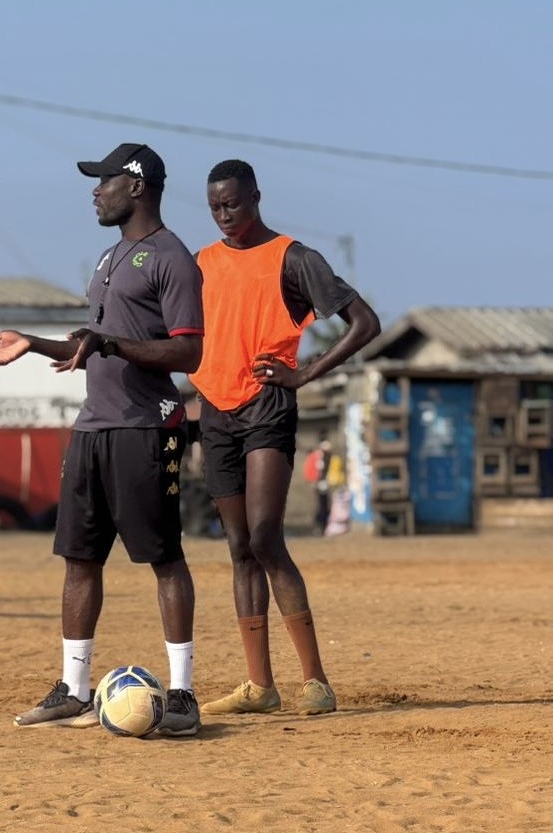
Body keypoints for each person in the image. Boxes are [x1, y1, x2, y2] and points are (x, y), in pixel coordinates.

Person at [0, 143, 204, 736]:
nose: (94, 191)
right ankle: (74, 689)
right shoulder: (107, 257)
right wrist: (33, 341)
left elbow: (188, 350)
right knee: (79, 558)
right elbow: (91, 344)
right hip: (94, 428)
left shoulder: (172, 258)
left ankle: (181, 694)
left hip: (145, 427)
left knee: (164, 558)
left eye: (103, 181)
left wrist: (111, 344)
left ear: (136, 186)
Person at [189, 159, 381, 717]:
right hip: (214, 411)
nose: (225, 216)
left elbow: (364, 323)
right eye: (215, 208)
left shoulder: (294, 258)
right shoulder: (201, 263)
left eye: (234, 204)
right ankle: (259, 686)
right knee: (239, 547)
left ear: (256, 197)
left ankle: (316, 680)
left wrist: (305, 373)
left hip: (268, 405)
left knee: (267, 537)